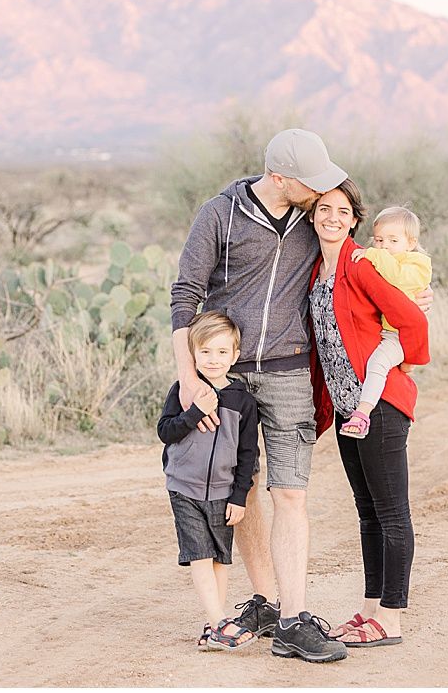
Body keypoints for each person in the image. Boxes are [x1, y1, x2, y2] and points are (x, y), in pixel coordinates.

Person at [170, 128, 352, 663]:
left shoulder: (313, 215)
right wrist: (190, 379)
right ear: (277, 177)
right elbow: (185, 294)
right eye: (309, 181)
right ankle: (266, 602)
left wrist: (412, 291)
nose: (320, 191)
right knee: (241, 490)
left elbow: (358, 256)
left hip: (290, 371)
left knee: (290, 493)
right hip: (226, 379)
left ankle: (294, 619)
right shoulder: (219, 214)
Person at [306, 179, 429, 649]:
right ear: (312, 215)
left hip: (378, 406)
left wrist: (407, 363)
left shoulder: (361, 263)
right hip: (346, 408)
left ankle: (391, 619)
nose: (332, 217)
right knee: (367, 512)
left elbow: (412, 319)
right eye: (324, 208)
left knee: (392, 512)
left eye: (343, 211)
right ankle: (370, 609)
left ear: (354, 220)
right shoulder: (317, 269)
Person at [157, 311, 260, 651]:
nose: (213, 360)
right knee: (199, 554)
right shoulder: (184, 390)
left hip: (223, 492)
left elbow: (248, 453)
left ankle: (214, 624)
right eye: (205, 352)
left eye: (221, 352)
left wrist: (239, 496)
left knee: (219, 557)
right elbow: (166, 431)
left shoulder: (243, 401)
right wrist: (195, 412)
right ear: (193, 353)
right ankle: (219, 623)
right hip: (183, 487)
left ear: (234, 355)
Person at [340, 206, 432, 439]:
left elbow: (398, 277)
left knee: (378, 364)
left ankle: (363, 413)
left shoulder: (418, 264)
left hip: (400, 335)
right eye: (379, 240)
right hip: (388, 331)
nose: (384, 246)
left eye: (393, 240)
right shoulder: (383, 259)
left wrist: (373, 255)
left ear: (411, 243)